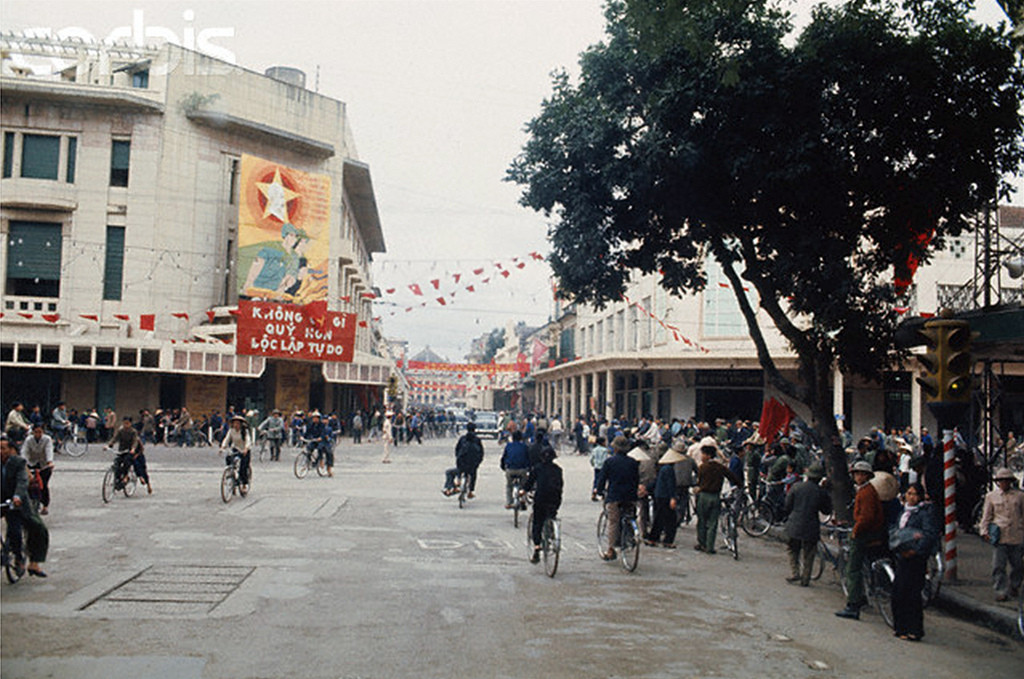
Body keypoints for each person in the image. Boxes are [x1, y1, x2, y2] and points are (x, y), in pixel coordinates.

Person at [836, 460, 886, 620]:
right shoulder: (866, 491)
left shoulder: (866, 493)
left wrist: (855, 531)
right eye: (856, 474)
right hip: (870, 531)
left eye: (861, 474)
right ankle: (861, 596)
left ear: (866, 476)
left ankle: (853, 604)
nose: (858, 476)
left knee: (853, 569)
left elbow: (866, 518)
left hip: (865, 533)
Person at [889, 482, 939, 641]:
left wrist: (916, 551)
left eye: (914, 494)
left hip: (916, 560)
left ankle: (914, 629)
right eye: (909, 493)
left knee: (912, 595)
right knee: (898, 592)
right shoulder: (903, 512)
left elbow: (929, 535)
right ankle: (900, 627)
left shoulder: (924, 513)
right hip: (902, 557)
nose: (911, 497)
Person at [1, 436, 49, 577]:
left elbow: (22, 482)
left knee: (33, 528)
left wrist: (17, 497)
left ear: (11, 450)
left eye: (3, 448)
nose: (0, 451)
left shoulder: (18, 463)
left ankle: (25, 559)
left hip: (15, 502)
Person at [980, 467, 1024, 602]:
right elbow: (986, 516)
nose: (1004, 483)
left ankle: (1014, 585)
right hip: (1000, 535)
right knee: (998, 566)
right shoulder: (991, 497)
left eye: (1006, 481)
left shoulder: (1020, 496)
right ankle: (1000, 590)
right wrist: (984, 531)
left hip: (1017, 535)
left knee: (1018, 565)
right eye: (1001, 481)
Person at [783, 463, 832, 586]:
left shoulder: (796, 487)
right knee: (809, 553)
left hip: (794, 524)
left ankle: (795, 573)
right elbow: (826, 510)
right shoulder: (821, 492)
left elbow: (787, 506)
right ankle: (806, 578)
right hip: (811, 526)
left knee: (793, 549)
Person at [596, 435, 640, 561]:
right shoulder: (633, 462)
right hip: (630, 495)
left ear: (615, 448)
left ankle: (611, 549)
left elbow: (602, 479)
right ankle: (630, 537)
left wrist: (599, 491)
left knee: (613, 522)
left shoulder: (610, 462)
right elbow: (636, 480)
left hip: (615, 495)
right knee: (630, 515)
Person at [693, 438, 738, 554]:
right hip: (715, 497)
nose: (701, 456)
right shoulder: (720, 467)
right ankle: (710, 547)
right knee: (713, 523)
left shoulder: (703, 467)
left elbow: (699, 482)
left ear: (708, 455)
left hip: (704, 496)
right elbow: (732, 477)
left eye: (703, 454)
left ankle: (701, 543)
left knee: (702, 521)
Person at [523, 445, 563, 563]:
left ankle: (537, 547)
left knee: (537, 521)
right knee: (551, 514)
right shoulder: (558, 470)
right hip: (555, 499)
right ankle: (551, 533)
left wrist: (523, 491)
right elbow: (560, 485)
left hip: (541, 498)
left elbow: (529, 483)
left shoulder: (538, 468)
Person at [648, 444, 685, 548]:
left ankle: (653, 538)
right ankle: (667, 541)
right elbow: (670, 485)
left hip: (660, 495)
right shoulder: (669, 469)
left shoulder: (663, 468)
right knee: (671, 520)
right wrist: (672, 498)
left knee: (660, 518)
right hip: (666, 496)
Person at [107, 416, 153, 494]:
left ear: (130, 424)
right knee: (117, 463)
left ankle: (130, 477)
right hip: (122, 451)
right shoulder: (120, 431)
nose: (126, 425)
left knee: (132, 463)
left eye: (127, 423)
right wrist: (109, 444)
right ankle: (118, 480)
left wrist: (133, 449)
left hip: (133, 452)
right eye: (124, 423)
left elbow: (135, 442)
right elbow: (115, 438)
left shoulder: (133, 432)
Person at [20, 424, 55, 514]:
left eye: (40, 432)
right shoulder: (29, 440)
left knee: (43, 485)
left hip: (44, 465)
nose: (38, 434)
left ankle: (45, 506)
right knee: (29, 484)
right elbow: (25, 451)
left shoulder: (47, 439)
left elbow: (49, 450)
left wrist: (49, 461)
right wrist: (24, 462)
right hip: (31, 464)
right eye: (36, 432)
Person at [443, 422, 484, 497]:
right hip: (472, 467)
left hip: (461, 466)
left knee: (449, 472)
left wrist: (458, 459)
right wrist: (477, 463)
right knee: (473, 476)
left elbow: (457, 450)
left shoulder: (462, 439)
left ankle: (449, 488)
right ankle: (470, 492)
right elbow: (481, 453)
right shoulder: (477, 440)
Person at [500, 431, 531, 509]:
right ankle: (523, 499)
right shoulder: (524, 446)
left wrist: (503, 467)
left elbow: (504, 458)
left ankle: (509, 502)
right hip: (522, 470)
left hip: (510, 469)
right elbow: (528, 458)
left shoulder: (508, 446)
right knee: (524, 484)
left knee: (509, 486)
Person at [220, 415, 251, 489]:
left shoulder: (244, 431)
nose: (236, 425)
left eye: (238, 423)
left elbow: (248, 440)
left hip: (244, 450)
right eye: (234, 423)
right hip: (235, 448)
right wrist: (222, 447)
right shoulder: (231, 430)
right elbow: (227, 439)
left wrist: (246, 448)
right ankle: (231, 473)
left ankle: (244, 483)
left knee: (243, 467)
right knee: (229, 458)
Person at [303, 411, 333, 476]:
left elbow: (323, 432)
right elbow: (308, 432)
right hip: (314, 440)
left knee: (326, 451)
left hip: (323, 441)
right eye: (314, 418)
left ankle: (326, 465)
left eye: (316, 418)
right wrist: (303, 437)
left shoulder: (322, 425)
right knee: (309, 448)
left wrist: (321, 437)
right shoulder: (311, 425)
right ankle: (308, 461)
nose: (315, 419)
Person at [589, 436, 611, 502]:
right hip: (603, 467)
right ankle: (602, 493)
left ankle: (594, 492)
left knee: (596, 480)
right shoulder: (605, 450)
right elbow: (605, 459)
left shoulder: (594, 449)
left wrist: (593, 464)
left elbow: (591, 459)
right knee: (603, 480)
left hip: (596, 467)